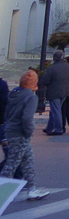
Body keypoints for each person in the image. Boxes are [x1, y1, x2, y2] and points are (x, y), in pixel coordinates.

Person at [1, 70, 49, 200]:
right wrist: (29, 132)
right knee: (12, 163)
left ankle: (32, 189)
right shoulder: (31, 97)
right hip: (20, 133)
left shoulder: (14, 94)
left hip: (11, 130)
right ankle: (2, 191)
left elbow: (6, 113)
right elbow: (27, 118)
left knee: (28, 160)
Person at [40, 50, 69, 136]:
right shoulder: (68, 67)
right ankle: (49, 128)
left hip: (54, 92)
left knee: (56, 111)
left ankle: (58, 129)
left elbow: (45, 81)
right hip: (65, 91)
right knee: (54, 110)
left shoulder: (51, 68)